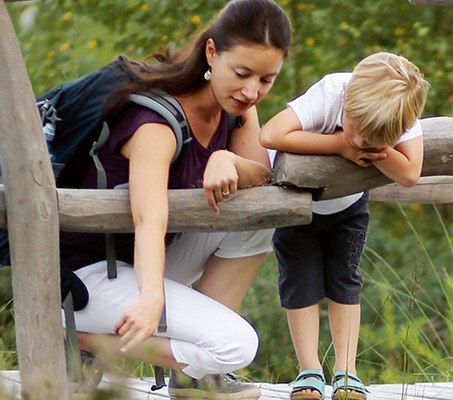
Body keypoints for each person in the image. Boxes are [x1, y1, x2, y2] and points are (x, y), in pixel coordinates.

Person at [62, 1, 290, 399]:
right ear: (211, 53)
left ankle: (193, 376)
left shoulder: (235, 108)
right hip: (89, 275)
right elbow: (148, 219)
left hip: (143, 260)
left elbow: (264, 175)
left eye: (266, 79)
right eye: (242, 73)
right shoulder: (157, 123)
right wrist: (151, 299)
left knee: (259, 218)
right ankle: (82, 338)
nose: (252, 91)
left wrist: (228, 158)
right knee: (238, 346)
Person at [258, 52, 430, 400]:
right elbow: (270, 134)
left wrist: (383, 152)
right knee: (299, 281)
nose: (361, 143)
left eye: (373, 139)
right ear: (348, 101)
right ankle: (309, 371)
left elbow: (411, 173)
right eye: (357, 130)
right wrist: (337, 144)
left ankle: (346, 371)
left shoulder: (401, 112)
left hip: (349, 209)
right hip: (298, 205)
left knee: (345, 281)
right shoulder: (333, 92)